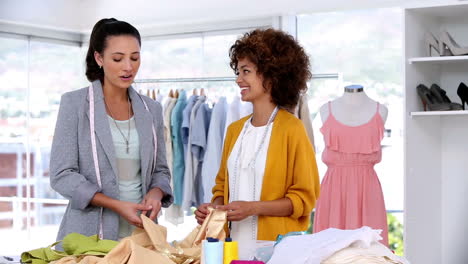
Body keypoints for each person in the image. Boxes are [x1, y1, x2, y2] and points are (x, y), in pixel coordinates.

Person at [195, 28, 320, 258]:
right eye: (238, 71)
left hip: (275, 251)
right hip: (231, 248)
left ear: (271, 76)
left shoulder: (292, 130)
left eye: (246, 71)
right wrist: (215, 209)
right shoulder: (234, 130)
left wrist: (253, 208)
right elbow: (221, 187)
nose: (238, 79)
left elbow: (303, 200)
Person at [50, 18, 173, 243]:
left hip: (142, 233)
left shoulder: (152, 109)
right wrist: (116, 205)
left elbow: (161, 170)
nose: (128, 67)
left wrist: (156, 193)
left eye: (135, 58)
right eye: (118, 58)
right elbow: (61, 175)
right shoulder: (75, 105)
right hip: (89, 235)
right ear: (99, 58)